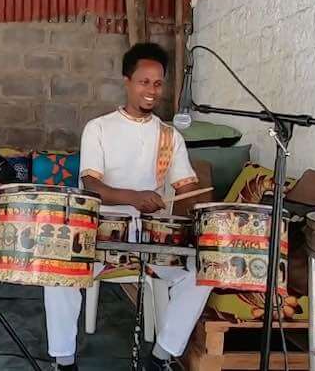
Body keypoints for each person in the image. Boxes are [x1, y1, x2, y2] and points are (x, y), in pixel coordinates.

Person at [43, 43, 212, 371]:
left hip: (151, 240)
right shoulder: (99, 128)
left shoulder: (169, 136)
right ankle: (63, 360)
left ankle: (162, 354)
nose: (151, 90)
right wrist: (135, 197)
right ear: (127, 81)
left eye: (158, 83)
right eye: (144, 82)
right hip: (98, 238)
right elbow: (92, 185)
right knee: (58, 272)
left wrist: (205, 205)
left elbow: (187, 188)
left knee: (200, 273)